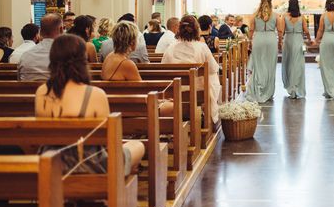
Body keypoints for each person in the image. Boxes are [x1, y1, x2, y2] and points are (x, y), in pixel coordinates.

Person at [35, 34, 144, 175]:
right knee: (138, 145)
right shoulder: (96, 94)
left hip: (50, 163)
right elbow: (108, 140)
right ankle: (119, 187)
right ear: (83, 59)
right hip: (89, 164)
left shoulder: (42, 91)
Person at [162, 15, 221, 123]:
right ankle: (205, 112)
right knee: (212, 76)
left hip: (176, 92)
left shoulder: (170, 48)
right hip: (198, 93)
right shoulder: (202, 47)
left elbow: (163, 69)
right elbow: (214, 69)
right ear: (196, 30)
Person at [245, 0, 279, 103]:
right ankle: (268, 92)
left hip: (258, 39)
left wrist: (250, 41)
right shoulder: (276, 15)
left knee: (258, 66)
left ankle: (257, 89)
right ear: (271, 3)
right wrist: (281, 41)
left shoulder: (254, 15)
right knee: (270, 66)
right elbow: (281, 30)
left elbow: (251, 30)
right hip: (271, 40)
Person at [278, 0, 311, 99]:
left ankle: (291, 89)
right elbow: (306, 30)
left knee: (289, 63)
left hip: (288, 40)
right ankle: (296, 88)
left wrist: (280, 41)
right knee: (298, 64)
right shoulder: (301, 17)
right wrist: (309, 39)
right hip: (298, 40)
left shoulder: (284, 16)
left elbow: (281, 31)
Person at [18, 14, 64, 81]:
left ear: (41, 32)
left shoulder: (25, 55)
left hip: (29, 91)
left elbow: (19, 79)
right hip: (58, 91)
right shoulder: (68, 56)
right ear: (61, 29)